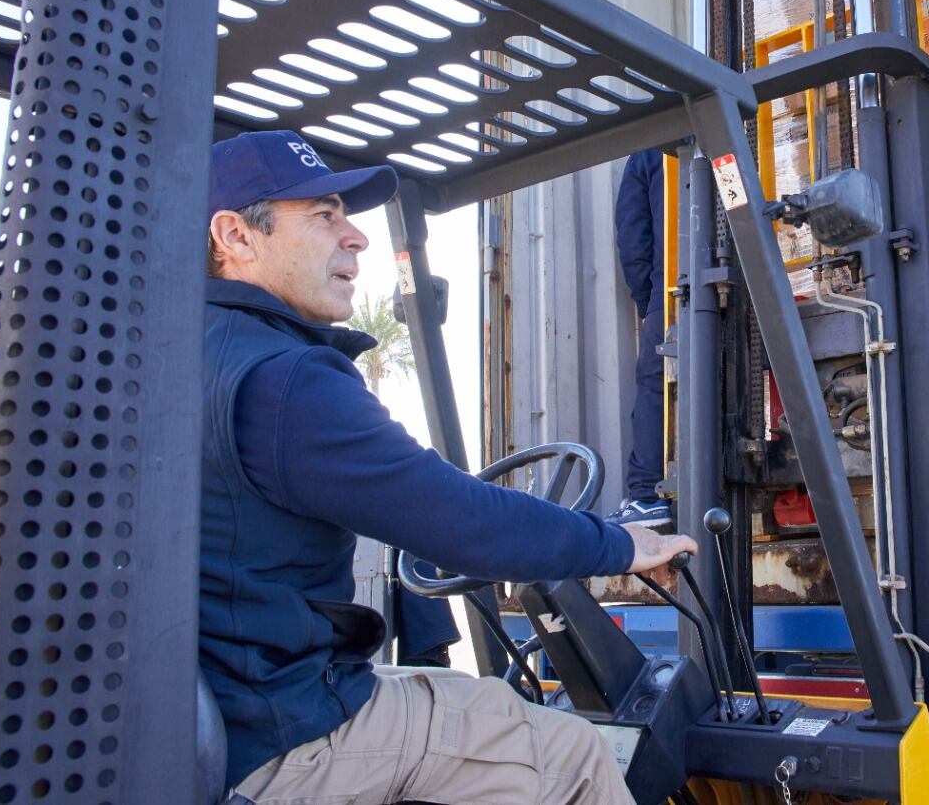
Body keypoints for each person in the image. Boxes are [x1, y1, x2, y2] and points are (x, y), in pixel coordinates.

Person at [201, 130, 695, 805]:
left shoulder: (191, 353)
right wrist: (619, 544)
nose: (356, 236)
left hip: (228, 706)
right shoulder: (287, 381)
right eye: (324, 215)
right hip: (284, 732)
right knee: (573, 754)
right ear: (235, 235)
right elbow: (458, 518)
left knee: (476, 696)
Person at [607, 148, 671, 529]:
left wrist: (647, 302)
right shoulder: (733, 123)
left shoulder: (649, 149)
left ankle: (647, 497)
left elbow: (633, 238)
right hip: (744, 277)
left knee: (655, 385)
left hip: (673, 287)